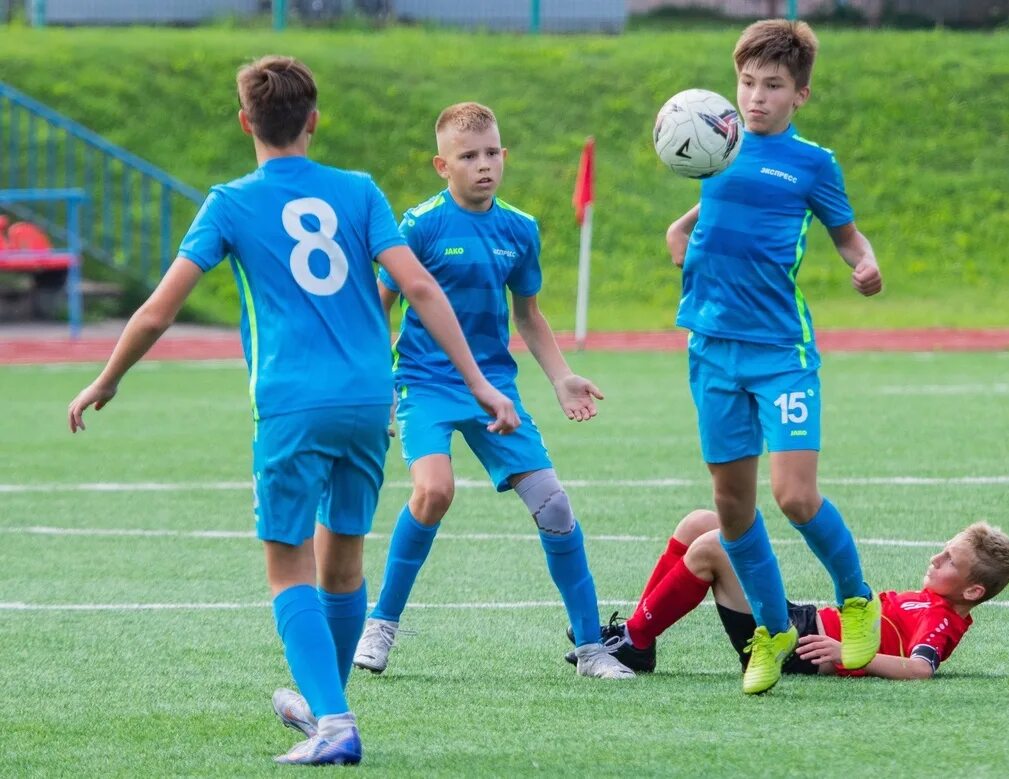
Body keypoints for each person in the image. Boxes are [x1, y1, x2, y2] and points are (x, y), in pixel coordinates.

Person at [66, 57, 518, 766]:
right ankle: (323, 702)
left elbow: (158, 311)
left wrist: (108, 377)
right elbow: (421, 289)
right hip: (370, 400)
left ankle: (334, 719)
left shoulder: (231, 202)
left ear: (247, 122)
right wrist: (482, 383)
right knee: (342, 562)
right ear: (313, 121)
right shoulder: (359, 191)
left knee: (288, 568)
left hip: (290, 403)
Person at [349, 102, 633, 682]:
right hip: (425, 384)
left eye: (492, 153)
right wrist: (374, 392)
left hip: (495, 391)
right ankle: (381, 625)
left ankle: (591, 649)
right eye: (468, 156)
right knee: (433, 493)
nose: (484, 165)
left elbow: (527, 315)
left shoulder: (520, 229)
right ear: (441, 165)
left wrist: (561, 376)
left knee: (554, 505)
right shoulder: (419, 225)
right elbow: (378, 308)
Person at [663, 19, 884, 694]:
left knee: (793, 494)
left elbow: (847, 237)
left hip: (781, 353)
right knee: (732, 509)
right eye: (748, 83)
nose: (756, 97)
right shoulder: (717, 144)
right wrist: (680, 238)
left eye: (773, 86)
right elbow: (700, 218)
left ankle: (855, 598)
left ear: (801, 96)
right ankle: (771, 625)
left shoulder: (813, 164)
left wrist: (865, 262)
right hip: (711, 352)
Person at [566, 510, 1009, 680]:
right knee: (699, 522)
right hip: (794, 623)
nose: (936, 559)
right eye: (943, 550)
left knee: (713, 548)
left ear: (973, 590)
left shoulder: (944, 618)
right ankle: (635, 639)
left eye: (949, 562)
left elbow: (920, 669)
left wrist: (847, 653)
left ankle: (635, 643)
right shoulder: (931, 600)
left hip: (794, 649)